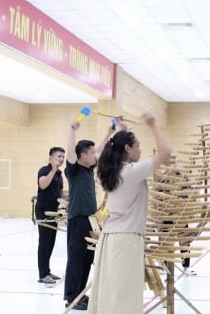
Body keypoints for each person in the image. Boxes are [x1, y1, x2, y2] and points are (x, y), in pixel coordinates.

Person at [87, 112, 170, 314]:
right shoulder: (131, 172)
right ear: (127, 149)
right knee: (123, 296)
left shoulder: (112, 171)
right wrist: (153, 124)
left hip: (112, 238)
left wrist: (123, 130)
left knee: (112, 291)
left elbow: (120, 148)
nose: (140, 150)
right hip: (125, 239)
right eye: (138, 146)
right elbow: (165, 153)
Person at [63, 119, 113, 310]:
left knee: (87, 258)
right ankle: (71, 297)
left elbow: (98, 151)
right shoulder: (74, 170)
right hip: (77, 219)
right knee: (76, 258)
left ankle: (81, 294)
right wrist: (72, 131)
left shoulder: (88, 168)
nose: (95, 156)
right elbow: (70, 153)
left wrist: (108, 133)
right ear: (82, 156)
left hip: (91, 220)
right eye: (91, 153)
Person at [35, 146, 66, 285]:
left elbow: (59, 193)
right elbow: (43, 185)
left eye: (62, 157)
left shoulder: (59, 174)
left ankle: (47, 271)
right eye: (59, 156)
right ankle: (42, 274)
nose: (61, 159)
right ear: (50, 158)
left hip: (54, 210)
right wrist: (53, 170)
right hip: (43, 210)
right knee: (44, 242)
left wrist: (74, 194)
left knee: (51, 242)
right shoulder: (45, 170)